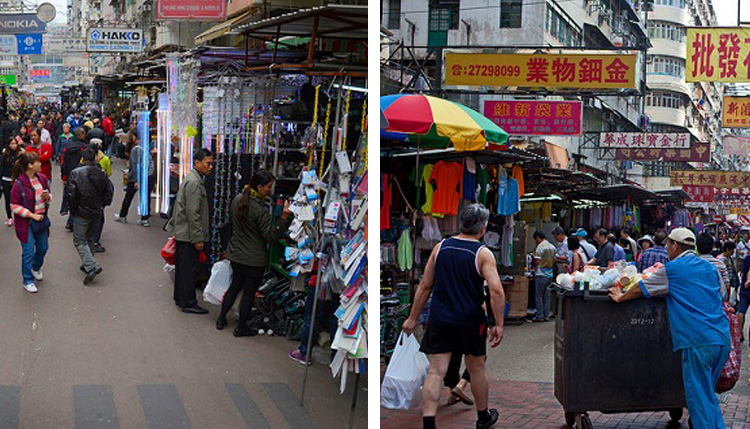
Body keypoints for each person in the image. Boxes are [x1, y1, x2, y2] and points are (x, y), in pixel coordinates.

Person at [608, 228, 730, 429]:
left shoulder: (672, 269)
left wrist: (621, 297)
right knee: (707, 394)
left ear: (674, 245)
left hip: (697, 341)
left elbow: (641, 287)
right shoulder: (710, 268)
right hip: (721, 339)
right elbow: (722, 294)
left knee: (699, 399)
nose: (666, 249)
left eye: (667, 245)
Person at [402, 204, 505, 429]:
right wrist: (498, 323)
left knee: (436, 371)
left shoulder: (441, 248)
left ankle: (429, 423)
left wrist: (412, 318)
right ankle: (483, 417)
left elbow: (425, 286)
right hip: (470, 320)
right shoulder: (482, 253)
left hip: (440, 318)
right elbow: (496, 290)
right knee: (476, 368)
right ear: (483, 227)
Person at [218, 170, 293, 336]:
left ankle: (221, 318)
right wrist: (284, 217)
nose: (270, 190)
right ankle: (241, 327)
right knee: (248, 293)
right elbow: (271, 237)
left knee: (234, 287)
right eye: (268, 187)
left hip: (236, 254)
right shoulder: (260, 210)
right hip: (254, 259)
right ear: (259, 187)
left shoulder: (238, 199)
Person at [169, 149, 213, 314]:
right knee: (189, 269)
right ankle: (188, 302)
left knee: (183, 268)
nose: (210, 167)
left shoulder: (192, 179)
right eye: (207, 163)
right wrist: (198, 238)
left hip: (184, 232)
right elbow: (193, 213)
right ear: (197, 163)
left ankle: (181, 298)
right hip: (188, 234)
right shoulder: (195, 183)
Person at [65, 146, 113, 285]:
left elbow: (71, 194)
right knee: (90, 238)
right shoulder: (102, 173)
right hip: (96, 210)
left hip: (81, 211)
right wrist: (102, 205)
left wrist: (73, 210)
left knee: (79, 240)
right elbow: (108, 192)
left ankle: (91, 265)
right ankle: (88, 263)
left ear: (83, 158)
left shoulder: (75, 173)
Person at [9, 151, 51, 293]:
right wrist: (31, 215)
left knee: (43, 248)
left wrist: (47, 197)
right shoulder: (19, 184)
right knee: (28, 252)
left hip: (41, 221)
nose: (40, 164)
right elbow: (13, 205)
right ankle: (27, 279)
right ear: (30, 166)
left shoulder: (42, 179)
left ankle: (36, 267)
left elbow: (48, 194)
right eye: (37, 162)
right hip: (26, 224)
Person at [114, 134, 155, 227]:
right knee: (145, 197)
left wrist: (136, 179)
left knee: (129, 196)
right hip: (147, 176)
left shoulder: (136, 149)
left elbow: (136, 165)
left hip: (137, 177)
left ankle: (123, 215)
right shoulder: (146, 148)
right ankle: (145, 218)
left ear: (135, 137)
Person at [532, 231, 556, 322]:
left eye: (536, 239)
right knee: (547, 296)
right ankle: (546, 316)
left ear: (538, 237)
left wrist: (534, 258)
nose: (536, 241)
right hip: (550, 275)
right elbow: (554, 260)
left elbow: (537, 261)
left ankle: (539, 316)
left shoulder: (540, 247)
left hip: (540, 274)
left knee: (539, 296)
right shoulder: (552, 246)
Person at [696, 233, 729, 300]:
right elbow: (727, 286)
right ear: (712, 247)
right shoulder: (720, 264)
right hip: (715, 302)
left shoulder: (693, 264)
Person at [1, 137, 22, 227]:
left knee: (17, 199)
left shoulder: (20, 155)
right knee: (8, 199)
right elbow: (2, 168)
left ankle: (17, 216)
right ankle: (9, 217)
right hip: (6, 179)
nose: (14, 146)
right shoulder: (5, 155)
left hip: (16, 180)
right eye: (12, 144)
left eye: (15, 143)